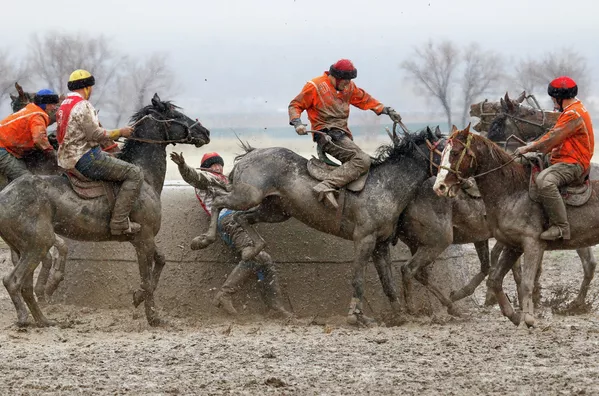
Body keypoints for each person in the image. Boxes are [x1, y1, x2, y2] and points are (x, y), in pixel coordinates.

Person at [170, 151, 292, 318]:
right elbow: (193, 177)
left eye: (219, 163)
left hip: (234, 219)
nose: (218, 167)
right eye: (213, 164)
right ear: (206, 168)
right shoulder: (206, 178)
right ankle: (224, 295)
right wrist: (183, 166)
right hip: (229, 219)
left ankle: (274, 307)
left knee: (264, 259)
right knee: (256, 256)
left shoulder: (224, 179)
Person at [288, 58, 402, 207]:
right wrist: (297, 123)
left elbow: (364, 99)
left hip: (342, 135)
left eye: (350, 80)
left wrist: (385, 110)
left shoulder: (348, 87)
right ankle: (325, 185)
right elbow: (295, 105)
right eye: (345, 81)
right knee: (362, 160)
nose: (348, 84)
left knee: (369, 163)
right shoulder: (315, 86)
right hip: (326, 135)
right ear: (336, 77)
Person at [56, 69, 142, 235]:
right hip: (85, 158)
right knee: (135, 172)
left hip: (65, 158)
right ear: (86, 87)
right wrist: (120, 132)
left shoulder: (64, 105)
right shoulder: (83, 105)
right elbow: (94, 134)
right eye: (91, 87)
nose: (92, 91)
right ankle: (120, 223)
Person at [514, 76, 594, 240]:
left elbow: (553, 137)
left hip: (573, 163)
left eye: (553, 98)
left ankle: (561, 227)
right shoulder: (575, 109)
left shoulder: (573, 115)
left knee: (545, 180)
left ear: (560, 97)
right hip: (562, 157)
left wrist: (529, 147)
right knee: (523, 164)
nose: (553, 101)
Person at [0, 89, 60, 181]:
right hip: (2, 149)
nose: (55, 107)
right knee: (26, 180)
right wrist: (54, 155)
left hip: (6, 146)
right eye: (53, 104)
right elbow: (39, 140)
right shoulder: (38, 116)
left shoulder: (31, 109)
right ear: (46, 105)